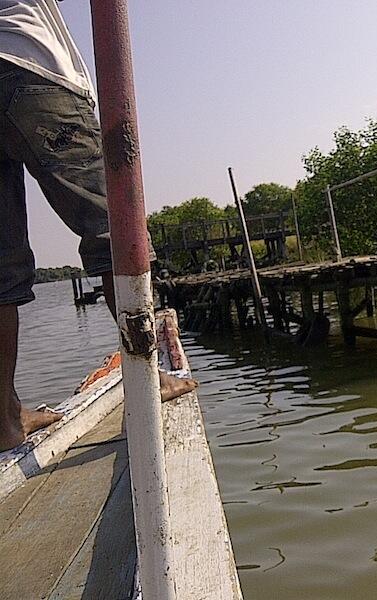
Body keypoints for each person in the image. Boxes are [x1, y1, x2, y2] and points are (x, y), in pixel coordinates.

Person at [0, 0, 195, 452]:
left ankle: (5, 417)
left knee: (0, 265)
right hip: (30, 68)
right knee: (114, 230)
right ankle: (150, 378)